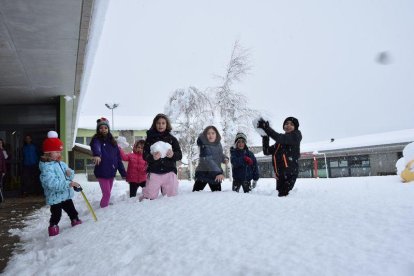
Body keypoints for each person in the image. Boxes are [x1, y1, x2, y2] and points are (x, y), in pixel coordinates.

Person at [39, 131, 82, 237]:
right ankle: (53, 226)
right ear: (48, 153)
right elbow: (52, 184)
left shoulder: (62, 164)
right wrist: (69, 184)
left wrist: (70, 173)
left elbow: (69, 176)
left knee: (72, 210)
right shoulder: (46, 168)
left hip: (66, 195)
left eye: (60, 152)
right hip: (55, 197)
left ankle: (75, 220)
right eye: (56, 152)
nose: (59, 154)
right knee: (56, 214)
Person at [257, 116, 302, 197]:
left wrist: (266, 128)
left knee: (284, 197)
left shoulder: (296, 135)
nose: (288, 125)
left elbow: (280, 137)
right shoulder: (280, 143)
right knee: (279, 198)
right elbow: (266, 151)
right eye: (286, 124)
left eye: (291, 124)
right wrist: (265, 137)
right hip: (280, 174)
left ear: (295, 127)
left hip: (289, 173)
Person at [142, 113, 182, 200]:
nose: (161, 125)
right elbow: (144, 155)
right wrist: (152, 157)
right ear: (155, 124)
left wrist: (173, 155)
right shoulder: (149, 139)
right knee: (149, 198)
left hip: (169, 172)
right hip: (154, 172)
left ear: (167, 124)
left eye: (163, 123)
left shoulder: (172, 139)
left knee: (171, 198)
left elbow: (179, 155)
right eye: (158, 123)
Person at [90, 118, 126, 208]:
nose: (103, 130)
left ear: (108, 129)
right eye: (101, 128)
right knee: (107, 194)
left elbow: (118, 159)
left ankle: (105, 205)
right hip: (102, 172)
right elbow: (96, 146)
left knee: (107, 193)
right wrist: (97, 155)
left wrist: (123, 172)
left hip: (111, 172)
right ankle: (103, 210)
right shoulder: (96, 140)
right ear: (98, 129)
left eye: (105, 128)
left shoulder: (113, 143)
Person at [193, 126, 228, 192]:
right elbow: (208, 160)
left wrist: (225, 158)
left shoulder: (218, 144)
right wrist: (218, 173)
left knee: (217, 196)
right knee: (196, 196)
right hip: (203, 174)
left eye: (213, 133)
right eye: (208, 133)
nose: (210, 135)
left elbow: (219, 154)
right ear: (205, 135)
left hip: (214, 175)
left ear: (216, 134)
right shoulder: (204, 146)